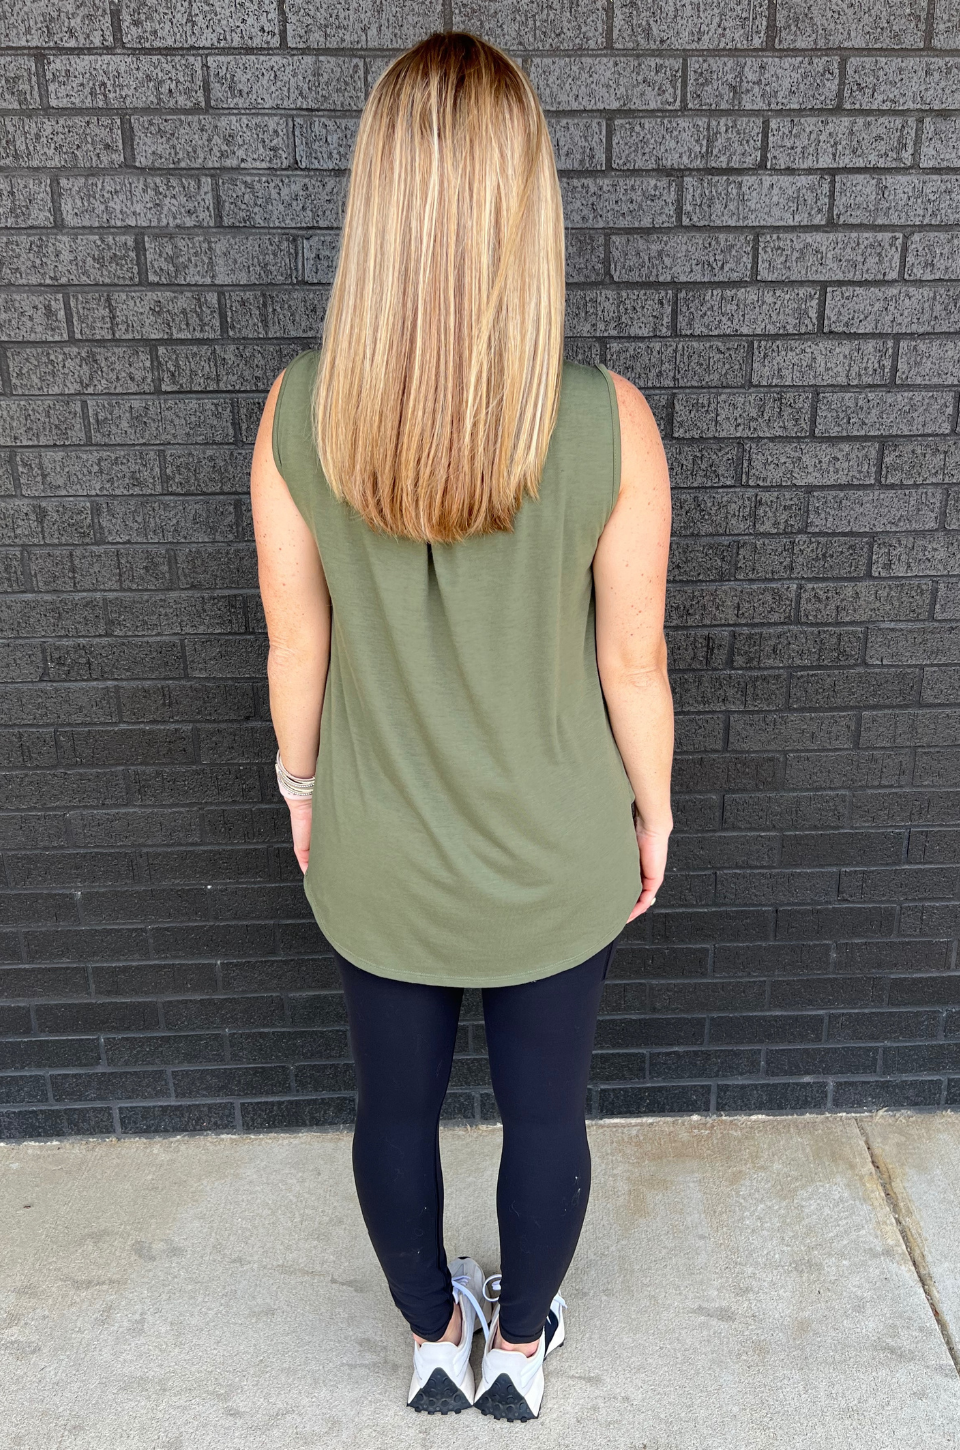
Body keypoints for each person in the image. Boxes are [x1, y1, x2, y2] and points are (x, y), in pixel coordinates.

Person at [250, 30, 673, 1422]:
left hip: (379, 842)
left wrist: (301, 789)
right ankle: (522, 1350)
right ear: (526, 205)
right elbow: (633, 663)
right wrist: (654, 812)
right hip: (553, 846)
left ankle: (437, 1333)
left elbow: (296, 646)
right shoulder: (609, 423)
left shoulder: (299, 414)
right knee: (548, 1112)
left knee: (394, 1110)